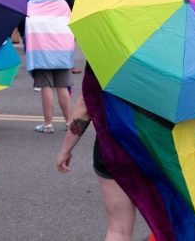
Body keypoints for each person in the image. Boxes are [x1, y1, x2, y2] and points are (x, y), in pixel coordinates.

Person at [56, 92, 137, 240]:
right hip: (165, 151)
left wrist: (65, 149)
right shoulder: (183, 68)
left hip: (115, 147)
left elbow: (85, 106)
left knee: (119, 229)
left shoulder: (106, 68)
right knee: (173, 224)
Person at [26, 0, 74, 133]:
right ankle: (69, 122)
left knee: (46, 87)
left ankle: (48, 125)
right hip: (61, 49)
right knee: (62, 86)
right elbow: (69, 23)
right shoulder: (61, 2)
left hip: (41, 51)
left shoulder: (31, 4)